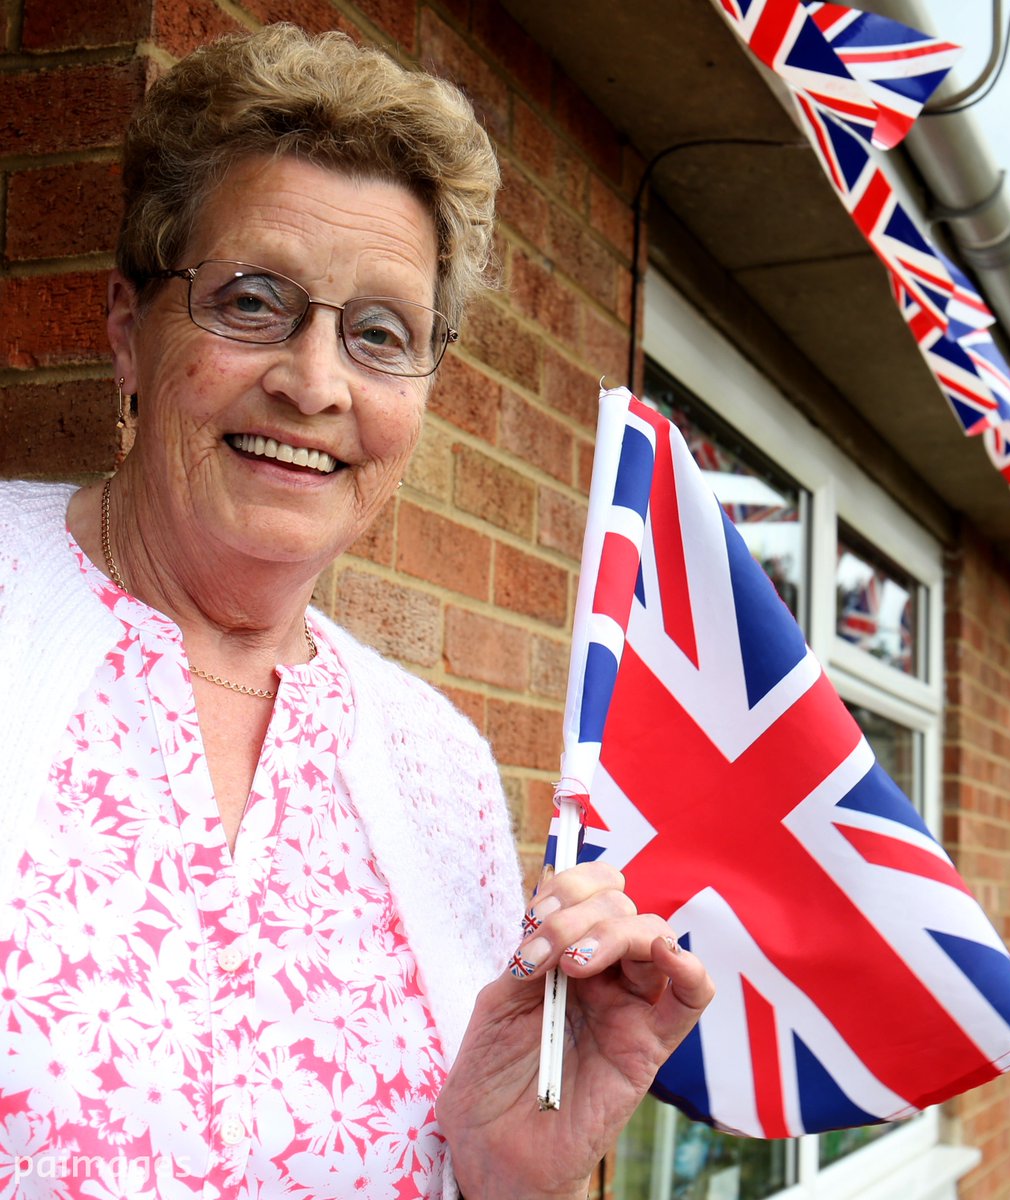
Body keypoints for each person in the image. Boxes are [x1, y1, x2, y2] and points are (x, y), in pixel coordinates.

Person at [0, 23, 713, 1200]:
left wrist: (504, 1171)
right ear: (129, 328)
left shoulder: (438, 767)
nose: (315, 383)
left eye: (379, 333)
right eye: (251, 301)